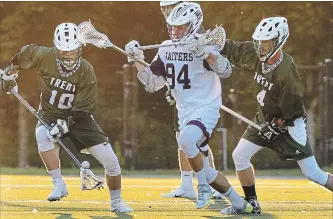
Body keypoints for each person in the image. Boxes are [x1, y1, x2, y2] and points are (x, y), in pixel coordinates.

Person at [125, 2, 256, 213]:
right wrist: (137, 59)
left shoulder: (204, 45)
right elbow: (151, 84)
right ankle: (240, 203)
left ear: (193, 25)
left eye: (180, 27)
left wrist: (206, 53)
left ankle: (202, 186)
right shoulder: (167, 48)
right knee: (206, 169)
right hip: (185, 112)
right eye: (172, 27)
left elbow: (226, 71)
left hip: (206, 107)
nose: (175, 31)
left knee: (185, 140)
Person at [0, 22, 132, 213]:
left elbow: (83, 108)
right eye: (63, 51)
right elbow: (25, 55)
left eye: (72, 50)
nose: (69, 55)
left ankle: (117, 203)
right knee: (42, 135)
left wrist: (64, 125)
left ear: (80, 47)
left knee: (111, 161)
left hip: (80, 118)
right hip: (50, 113)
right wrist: (10, 74)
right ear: (55, 47)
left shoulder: (86, 70)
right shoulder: (44, 56)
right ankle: (59, 184)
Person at [219, 16, 333, 215]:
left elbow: (294, 109)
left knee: (314, 174)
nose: (261, 46)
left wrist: (277, 125)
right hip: (264, 119)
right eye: (260, 41)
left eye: (267, 42)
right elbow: (233, 49)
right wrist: (213, 42)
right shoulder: (256, 54)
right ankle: (252, 204)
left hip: (288, 126)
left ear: (279, 41)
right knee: (240, 156)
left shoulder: (286, 70)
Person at [159, 0, 224, 200]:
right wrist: (171, 85)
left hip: (199, 99)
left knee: (197, 143)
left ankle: (210, 185)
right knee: (183, 140)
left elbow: (209, 66)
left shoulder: (194, 30)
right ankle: (187, 184)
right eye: (163, 8)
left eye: (169, 7)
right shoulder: (173, 31)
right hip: (183, 99)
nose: (166, 12)